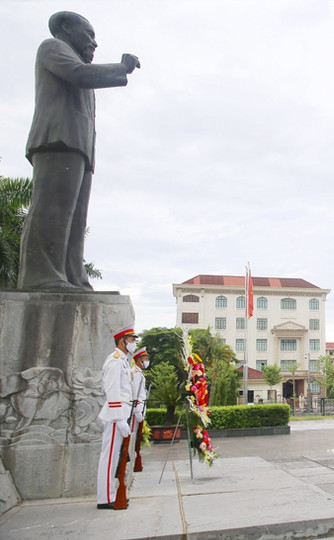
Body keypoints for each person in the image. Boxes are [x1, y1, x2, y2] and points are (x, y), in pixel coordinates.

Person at [18, 11, 140, 290]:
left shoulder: (74, 61)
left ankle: (73, 275)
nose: (94, 43)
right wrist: (121, 68)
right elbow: (79, 75)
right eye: (89, 34)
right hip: (57, 140)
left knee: (74, 218)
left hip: (79, 147)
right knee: (52, 210)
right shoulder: (53, 48)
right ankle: (42, 276)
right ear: (65, 28)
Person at [96, 325, 137, 509]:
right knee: (109, 456)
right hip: (115, 416)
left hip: (121, 414)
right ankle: (105, 498)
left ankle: (111, 494)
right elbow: (112, 391)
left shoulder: (123, 362)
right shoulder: (114, 361)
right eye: (132, 340)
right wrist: (119, 418)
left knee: (116, 457)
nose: (133, 343)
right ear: (123, 341)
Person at [131, 347, 149, 472]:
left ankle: (134, 460)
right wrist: (138, 411)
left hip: (140, 410)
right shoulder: (135, 373)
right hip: (136, 411)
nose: (147, 361)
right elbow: (135, 394)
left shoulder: (140, 374)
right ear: (139, 360)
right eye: (145, 359)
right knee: (133, 438)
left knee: (136, 439)